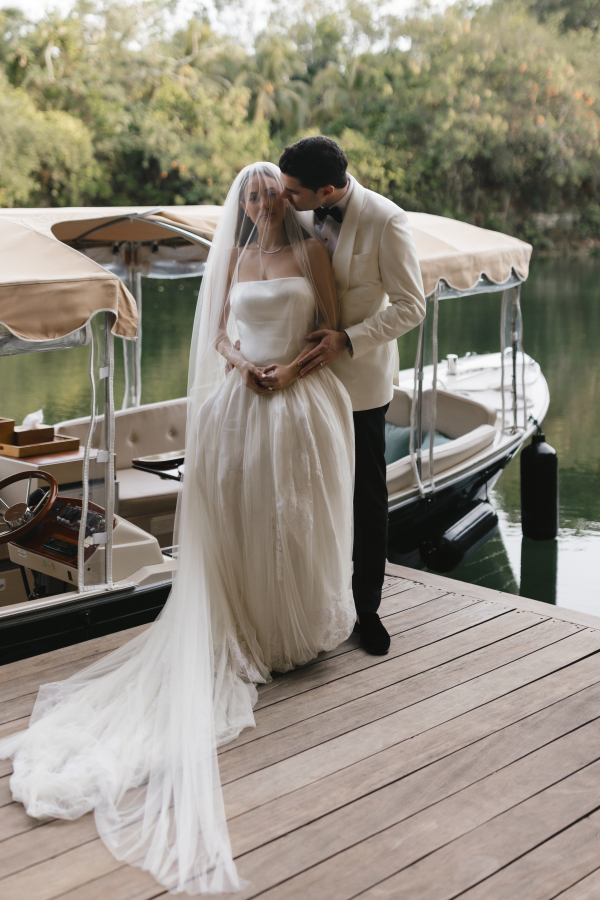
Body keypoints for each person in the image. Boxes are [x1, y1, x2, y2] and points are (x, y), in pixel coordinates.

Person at [0, 163, 356, 895]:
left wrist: (291, 370)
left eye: (269, 193)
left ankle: (289, 627)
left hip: (297, 399)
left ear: (285, 197)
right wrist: (242, 365)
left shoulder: (312, 254)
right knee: (243, 519)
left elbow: (327, 331)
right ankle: (252, 627)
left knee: (293, 519)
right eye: (250, 194)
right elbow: (221, 333)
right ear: (242, 203)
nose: (260, 203)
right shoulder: (235, 258)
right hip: (240, 401)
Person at [279, 136, 426, 656]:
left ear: (326, 190)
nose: (283, 197)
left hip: (360, 383)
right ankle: (311, 601)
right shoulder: (293, 211)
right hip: (301, 378)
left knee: (366, 498)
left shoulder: (387, 220)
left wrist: (348, 339)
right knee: (305, 491)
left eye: (293, 191)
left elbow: (412, 306)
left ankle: (368, 608)